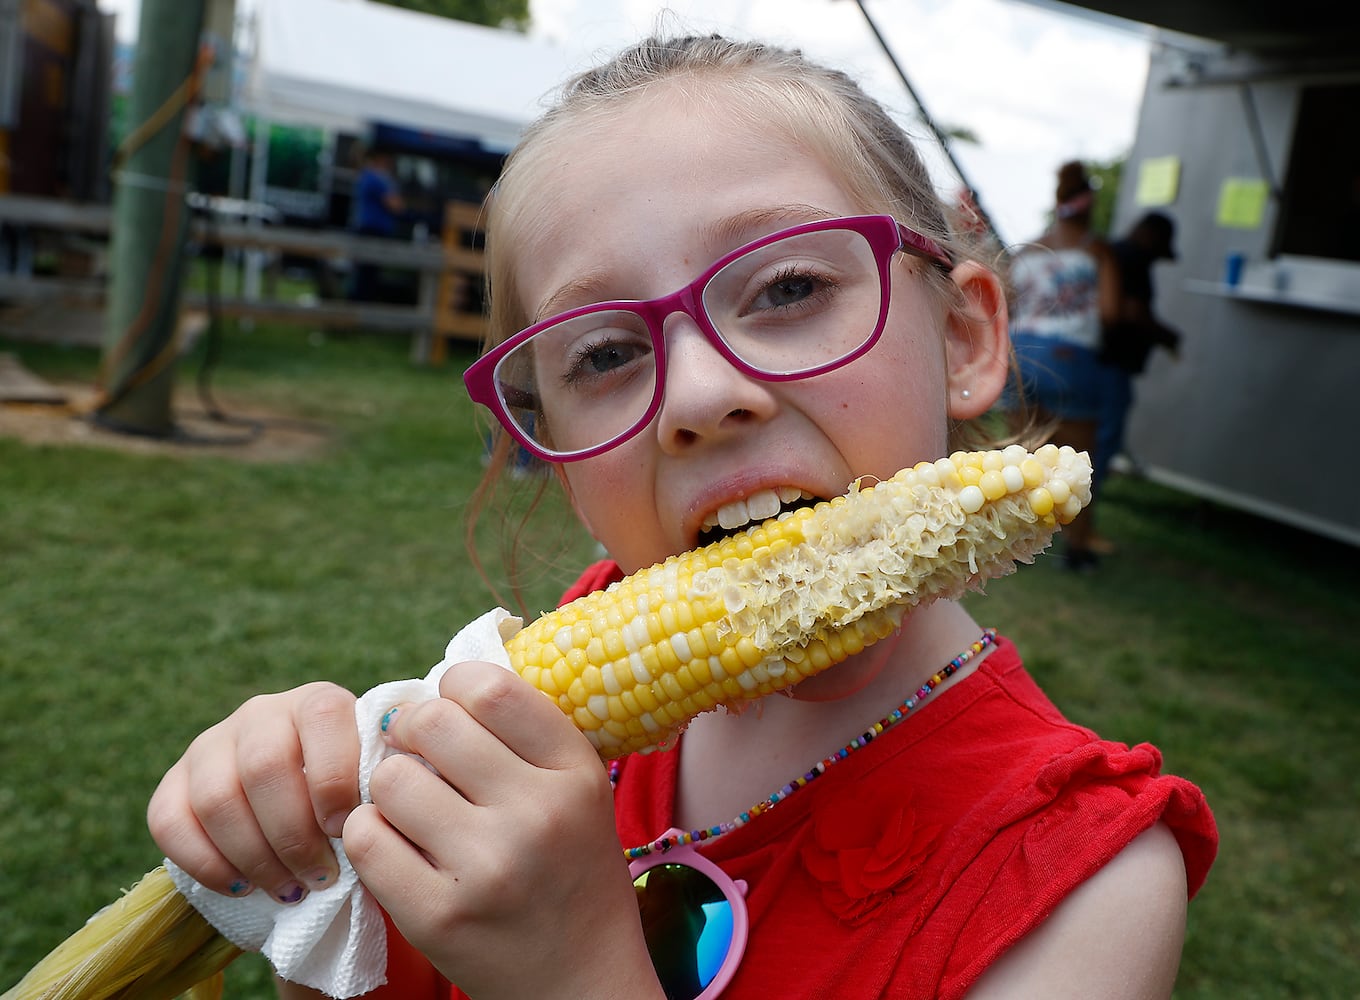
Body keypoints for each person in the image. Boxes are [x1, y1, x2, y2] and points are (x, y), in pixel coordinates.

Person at [147, 34, 1216, 1000]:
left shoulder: (1084, 884)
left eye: (788, 288)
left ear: (966, 338)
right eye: (604, 355)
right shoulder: (536, 697)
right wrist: (319, 857)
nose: (702, 395)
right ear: (551, 452)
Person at [1006, 161, 1121, 571]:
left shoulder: (1026, 250)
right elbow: (1109, 312)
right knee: (1078, 462)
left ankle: (1016, 547)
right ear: (1089, 203)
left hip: (1018, 354)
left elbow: (1009, 303)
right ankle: (1078, 549)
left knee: (1024, 457)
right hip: (1070, 357)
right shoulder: (1096, 250)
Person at [1095, 211, 1183, 494]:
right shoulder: (1131, 258)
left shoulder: (1117, 254)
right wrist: (1165, 336)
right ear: (1151, 235)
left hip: (1101, 363)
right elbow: (1131, 311)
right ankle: (1080, 512)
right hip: (1110, 363)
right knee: (1102, 438)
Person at [349, 147, 406, 302]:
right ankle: (361, 311)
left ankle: (360, 309)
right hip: (372, 231)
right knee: (367, 275)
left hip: (369, 230)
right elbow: (396, 205)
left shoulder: (368, 176)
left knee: (366, 273)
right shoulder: (376, 179)